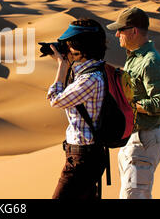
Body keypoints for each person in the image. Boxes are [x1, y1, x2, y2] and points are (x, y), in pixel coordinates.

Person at [106, 7, 160, 199]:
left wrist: (128, 105)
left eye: (121, 30)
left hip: (144, 140)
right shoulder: (134, 59)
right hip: (134, 139)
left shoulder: (149, 62)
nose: (117, 34)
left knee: (132, 196)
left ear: (133, 31)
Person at [46, 18, 107, 199]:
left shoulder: (89, 79)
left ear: (82, 47)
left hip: (83, 158)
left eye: (71, 45)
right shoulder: (97, 71)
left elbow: (55, 100)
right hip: (85, 156)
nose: (69, 49)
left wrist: (62, 65)